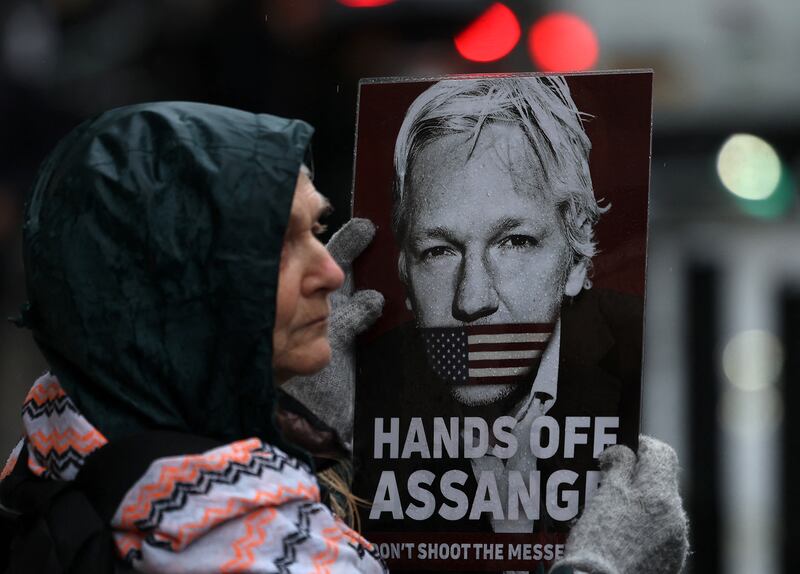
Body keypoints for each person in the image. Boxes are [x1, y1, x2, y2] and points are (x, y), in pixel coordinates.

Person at [0, 102, 386, 573]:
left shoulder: (55, 462)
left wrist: (278, 419)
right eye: (275, 245)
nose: (328, 271)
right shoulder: (245, 550)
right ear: (170, 286)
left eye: (316, 229)